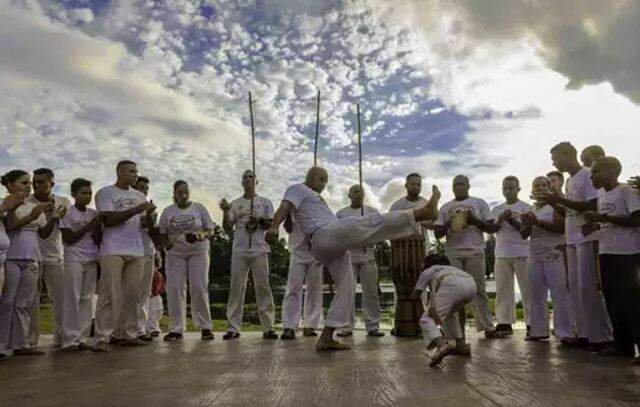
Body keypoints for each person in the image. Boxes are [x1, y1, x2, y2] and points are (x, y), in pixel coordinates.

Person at [266, 167, 440, 351]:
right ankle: (420, 213)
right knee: (369, 223)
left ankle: (327, 336)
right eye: (322, 179)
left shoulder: (319, 199)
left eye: (325, 181)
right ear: (313, 176)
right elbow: (284, 207)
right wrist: (273, 227)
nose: (324, 183)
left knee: (347, 285)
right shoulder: (297, 189)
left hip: (328, 242)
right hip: (323, 234)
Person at [543, 142, 613, 350]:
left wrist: (561, 200)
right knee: (575, 289)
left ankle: (601, 337)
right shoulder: (570, 181)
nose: (554, 162)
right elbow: (570, 210)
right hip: (571, 238)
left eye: (556, 157)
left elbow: (593, 205)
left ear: (568, 155)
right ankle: (584, 334)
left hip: (587, 237)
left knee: (589, 287)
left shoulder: (588, 174)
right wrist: (555, 201)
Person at [92, 160, 156, 352]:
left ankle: (129, 334)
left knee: (132, 295)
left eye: (136, 171)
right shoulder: (105, 193)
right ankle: (102, 337)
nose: (136, 174)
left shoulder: (138, 195)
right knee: (108, 294)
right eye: (132, 171)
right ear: (119, 171)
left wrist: (149, 217)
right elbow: (109, 220)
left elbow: (145, 225)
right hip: (113, 249)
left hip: (136, 250)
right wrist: (137, 209)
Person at [434, 175, 504, 339]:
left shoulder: (479, 203)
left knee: (478, 290)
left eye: (462, 184)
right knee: (455, 291)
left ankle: (487, 326)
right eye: (455, 184)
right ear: (452, 187)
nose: (458, 187)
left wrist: (473, 220)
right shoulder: (446, 207)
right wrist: (450, 222)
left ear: (468, 186)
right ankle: (456, 331)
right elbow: (437, 234)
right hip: (453, 252)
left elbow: (491, 229)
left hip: (475, 251)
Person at [585, 157, 640, 363]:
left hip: (627, 254)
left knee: (632, 302)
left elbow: (636, 220)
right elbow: (606, 222)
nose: (592, 176)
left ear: (613, 172)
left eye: (596, 172)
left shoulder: (627, 191)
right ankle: (622, 345)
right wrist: (595, 226)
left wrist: (603, 219)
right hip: (607, 252)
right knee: (613, 301)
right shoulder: (601, 196)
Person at [0, 170, 60, 358]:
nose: (29, 186)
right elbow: (10, 226)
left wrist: (53, 218)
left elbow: (42, 233)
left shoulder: (34, 205)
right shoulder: (5, 203)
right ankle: (2, 344)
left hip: (33, 257)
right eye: (24, 183)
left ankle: (20, 343)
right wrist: (30, 215)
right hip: (11, 257)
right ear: (10, 184)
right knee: (8, 301)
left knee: (24, 302)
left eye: (29, 183)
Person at [221, 170, 277, 340]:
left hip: (259, 249)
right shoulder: (234, 203)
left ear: (256, 181)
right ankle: (233, 327)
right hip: (239, 249)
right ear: (241, 182)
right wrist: (224, 211)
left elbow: (271, 223)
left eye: (251, 177)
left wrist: (258, 221)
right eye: (244, 177)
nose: (247, 179)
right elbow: (227, 228)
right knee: (237, 288)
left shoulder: (265, 202)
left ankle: (268, 327)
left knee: (263, 287)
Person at [159, 180, 215, 342]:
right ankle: (176, 328)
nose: (183, 195)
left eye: (186, 192)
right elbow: (162, 232)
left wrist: (200, 235)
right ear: (174, 194)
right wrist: (166, 243)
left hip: (198, 251)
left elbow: (210, 229)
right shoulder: (168, 212)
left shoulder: (199, 208)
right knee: (175, 288)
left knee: (199, 286)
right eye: (180, 192)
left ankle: (205, 327)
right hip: (176, 253)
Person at [520, 177, 574, 343]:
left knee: (559, 293)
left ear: (551, 188)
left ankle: (565, 332)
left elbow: (560, 228)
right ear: (532, 190)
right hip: (534, 254)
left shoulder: (556, 207)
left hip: (553, 253)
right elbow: (524, 234)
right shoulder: (530, 208)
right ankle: (538, 331)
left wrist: (538, 222)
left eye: (544, 185)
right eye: (537, 185)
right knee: (535, 293)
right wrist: (528, 224)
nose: (540, 188)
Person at [27, 168, 70, 347]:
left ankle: (61, 337)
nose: (36, 186)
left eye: (41, 182)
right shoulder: (27, 202)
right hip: (31, 255)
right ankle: (30, 340)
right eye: (34, 182)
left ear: (51, 184)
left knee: (61, 299)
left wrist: (54, 215)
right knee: (31, 299)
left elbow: (66, 227)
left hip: (55, 256)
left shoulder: (63, 201)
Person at [336, 185, 385, 337]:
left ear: (364, 195)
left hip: (367, 255)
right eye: (355, 191)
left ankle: (372, 326)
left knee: (370, 292)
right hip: (348, 256)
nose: (358, 194)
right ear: (349, 195)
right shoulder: (341, 213)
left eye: (360, 192)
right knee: (347, 292)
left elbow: (380, 231)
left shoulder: (371, 212)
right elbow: (336, 233)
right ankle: (346, 326)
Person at [411, 253, 477, 366]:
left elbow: (415, 295)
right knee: (451, 314)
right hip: (471, 285)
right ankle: (460, 345)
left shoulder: (430, 270)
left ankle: (442, 345)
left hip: (451, 285)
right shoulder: (452, 269)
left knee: (426, 320)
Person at [59, 178, 101, 351]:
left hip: (91, 258)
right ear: (74, 194)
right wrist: (89, 226)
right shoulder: (67, 213)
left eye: (89, 193)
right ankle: (69, 339)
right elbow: (68, 239)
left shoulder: (93, 213)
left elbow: (98, 239)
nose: (87, 196)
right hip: (74, 257)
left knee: (87, 299)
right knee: (72, 298)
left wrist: (97, 227)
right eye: (83, 193)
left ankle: (82, 338)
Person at [491, 176, 531, 336]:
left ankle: (532, 323)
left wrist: (513, 220)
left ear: (518, 189)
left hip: (522, 252)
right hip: (501, 253)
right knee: (503, 289)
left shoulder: (526, 207)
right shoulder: (496, 209)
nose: (508, 191)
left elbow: (527, 233)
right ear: (502, 189)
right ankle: (504, 323)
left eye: (511, 188)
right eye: (505, 188)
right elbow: (492, 229)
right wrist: (501, 219)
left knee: (527, 289)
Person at [280, 210, 323, 340]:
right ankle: (289, 326)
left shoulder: (316, 204)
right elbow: (287, 228)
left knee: (314, 289)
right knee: (293, 287)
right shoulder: (293, 205)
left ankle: (310, 325)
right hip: (297, 251)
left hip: (315, 252)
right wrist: (288, 213)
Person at [132, 176, 158, 342]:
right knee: (131, 292)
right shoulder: (129, 205)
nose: (144, 191)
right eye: (140, 187)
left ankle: (141, 329)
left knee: (144, 293)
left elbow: (151, 229)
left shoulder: (151, 208)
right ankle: (127, 328)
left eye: (146, 188)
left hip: (148, 252)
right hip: (133, 252)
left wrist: (149, 214)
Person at [389, 173, 434, 250]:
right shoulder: (397, 206)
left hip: (422, 247)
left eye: (418, 185)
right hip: (401, 248)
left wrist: (421, 222)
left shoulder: (426, 204)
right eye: (413, 184)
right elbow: (389, 227)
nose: (415, 187)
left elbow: (433, 225)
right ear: (406, 185)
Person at [147, 261, 165, 338]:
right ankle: (152, 328)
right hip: (155, 297)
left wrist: (152, 292)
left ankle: (154, 329)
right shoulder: (157, 275)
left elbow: (157, 287)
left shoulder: (156, 275)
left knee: (153, 314)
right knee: (153, 314)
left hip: (154, 297)